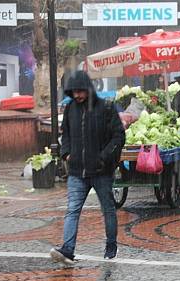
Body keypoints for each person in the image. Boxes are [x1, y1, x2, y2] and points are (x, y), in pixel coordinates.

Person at [49, 70, 126, 265]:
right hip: (77, 172)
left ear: (88, 89)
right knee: (72, 210)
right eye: (74, 92)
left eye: (80, 91)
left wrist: (103, 158)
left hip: (101, 172)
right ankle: (67, 250)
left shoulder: (106, 108)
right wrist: (66, 153)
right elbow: (64, 134)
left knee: (108, 210)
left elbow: (118, 136)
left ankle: (111, 246)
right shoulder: (70, 109)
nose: (77, 95)